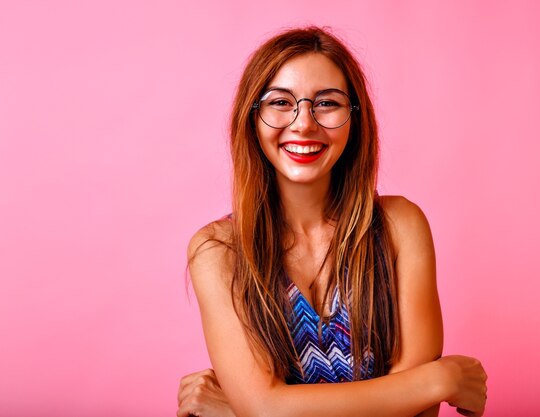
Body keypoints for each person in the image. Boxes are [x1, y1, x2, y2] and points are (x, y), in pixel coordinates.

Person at [177, 26, 487, 417]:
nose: (304, 123)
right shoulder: (218, 251)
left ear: (355, 119)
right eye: (280, 103)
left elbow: (417, 414)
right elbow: (265, 408)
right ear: (252, 118)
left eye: (327, 104)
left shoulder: (400, 227)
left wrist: (238, 410)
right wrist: (436, 380)